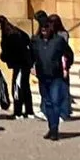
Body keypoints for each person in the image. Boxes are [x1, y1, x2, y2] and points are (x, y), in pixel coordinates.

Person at [31, 12, 76, 140]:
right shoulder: (36, 41)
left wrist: (65, 67)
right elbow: (31, 55)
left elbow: (69, 55)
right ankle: (51, 127)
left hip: (56, 76)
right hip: (42, 76)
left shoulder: (58, 41)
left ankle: (55, 129)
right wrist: (31, 67)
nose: (44, 30)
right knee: (48, 103)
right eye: (42, 28)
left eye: (46, 28)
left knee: (55, 102)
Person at [0, 15, 34, 119]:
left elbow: (9, 51)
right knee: (25, 87)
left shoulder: (10, 36)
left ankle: (18, 112)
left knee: (17, 87)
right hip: (23, 64)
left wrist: (5, 56)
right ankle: (29, 110)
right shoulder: (17, 32)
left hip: (20, 64)